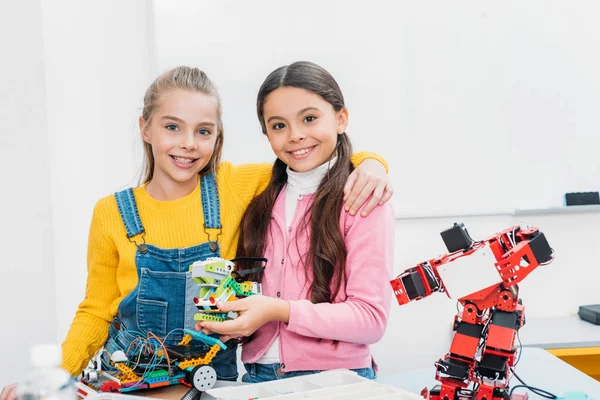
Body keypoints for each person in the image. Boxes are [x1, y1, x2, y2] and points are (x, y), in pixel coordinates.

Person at [0, 66, 393, 400]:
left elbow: (309, 157)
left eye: (203, 131)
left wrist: (373, 164)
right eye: (173, 127)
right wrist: (56, 378)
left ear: (216, 136)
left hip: (214, 384)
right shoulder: (111, 212)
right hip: (132, 380)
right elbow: (96, 309)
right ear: (146, 128)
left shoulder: (234, 186)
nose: (188, 144)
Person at [196, 61, 395, 383]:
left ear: (340, 119)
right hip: (258, 375)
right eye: (278, 126)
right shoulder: (260, 199)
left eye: (310, 118)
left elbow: (370, 319)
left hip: (336, 380)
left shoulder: (363, 198)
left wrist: (279, 310)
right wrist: (231, 319)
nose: (296, 136)